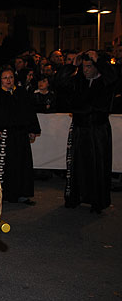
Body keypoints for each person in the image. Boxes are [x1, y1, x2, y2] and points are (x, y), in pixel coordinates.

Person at [56, 50, 118, 213]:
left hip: (98, 130)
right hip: (80, 128)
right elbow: (61, 82)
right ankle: (75, 197)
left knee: (98, 165)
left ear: (97, 67)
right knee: (77, 165)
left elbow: (114, 77)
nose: (86, 70)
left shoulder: (105, 82)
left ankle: (98, 201)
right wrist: (72, 65)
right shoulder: (78, 81)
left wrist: (101, 61)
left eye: (89, 66)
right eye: (84, 67)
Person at [0, 68, 40, 204]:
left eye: (10, 77)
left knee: (21, 165)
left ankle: (21, 194)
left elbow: (30, 112)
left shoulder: (21, 93)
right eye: (5, 78)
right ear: (1, 80)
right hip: (3, 136)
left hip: (20, 135)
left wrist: (32, 130)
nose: (8, 80)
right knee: (4, 166)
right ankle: (2, 194)